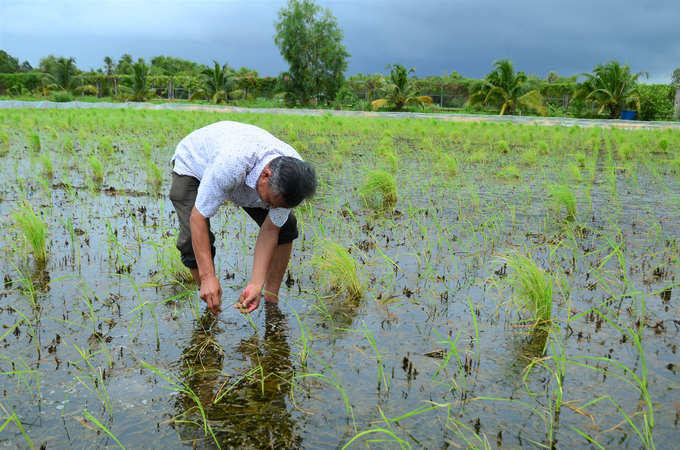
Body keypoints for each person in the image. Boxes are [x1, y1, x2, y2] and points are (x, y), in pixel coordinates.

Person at [169, 120, 317, 316]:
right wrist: (208, 277)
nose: (273, 208)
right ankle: (211, 302)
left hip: (240, 176)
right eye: (272, 201)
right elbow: (198, 217)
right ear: (265, 175)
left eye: (279, 205)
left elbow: (271, 229)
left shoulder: (294, 176)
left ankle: (272, 302)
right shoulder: (232, 164)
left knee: (285, 226)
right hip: (196, 163)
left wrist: (257, 284)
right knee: (190, 240)